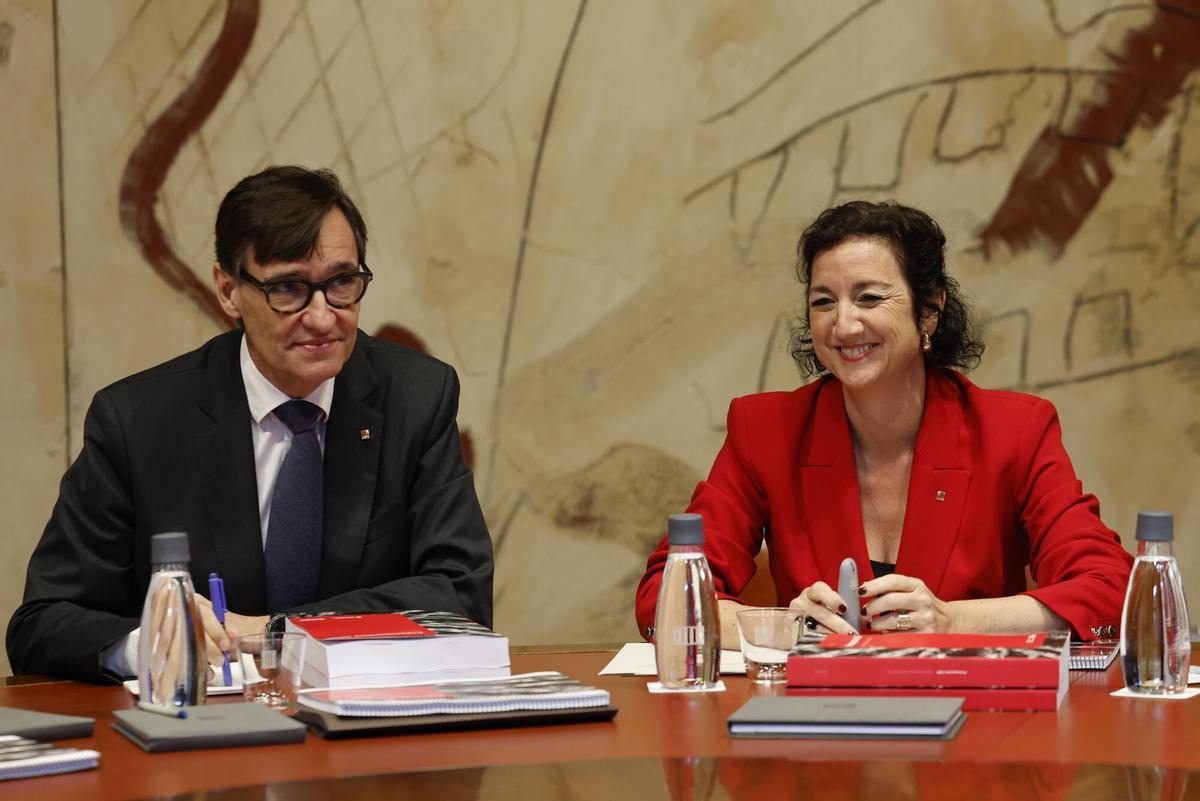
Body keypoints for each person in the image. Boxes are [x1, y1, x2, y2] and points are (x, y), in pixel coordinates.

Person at [7, 166, 493, 682]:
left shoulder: (416, 397)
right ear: (228, 290)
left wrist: (277, 630)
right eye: (288, 288)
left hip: (367, 730)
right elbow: (42, 624)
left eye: (342, 283)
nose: (324, 316)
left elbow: (461, 596)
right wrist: (151, 644)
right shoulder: (139, 421)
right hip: (201, 741)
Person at [635, 200, 1132, 647]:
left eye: (869, 298)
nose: (844, 325)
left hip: (977, 721)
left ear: (930, 311)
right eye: (824, 301)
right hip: (819, 726)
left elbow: (1110, 593)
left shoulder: (1014, 430)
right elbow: (666, 597)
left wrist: (952, 621)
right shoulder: (765, 429)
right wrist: (781, 627)